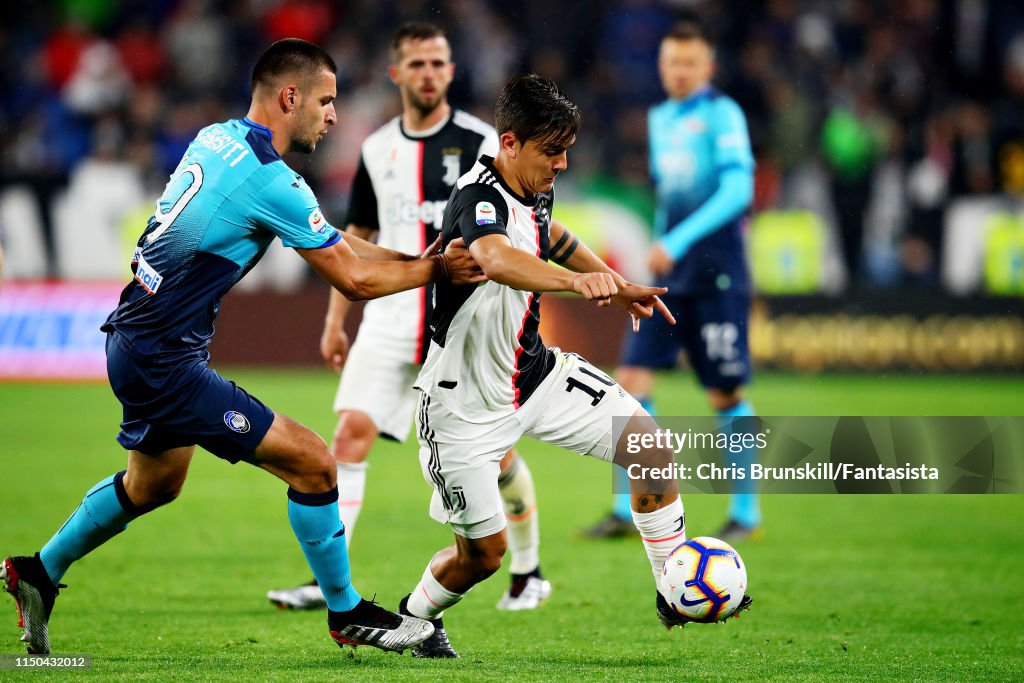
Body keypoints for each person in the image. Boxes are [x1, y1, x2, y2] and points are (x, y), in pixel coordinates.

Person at [0, 38, 490, 656]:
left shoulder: (217, 137)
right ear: (291, 97)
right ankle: (346, 613)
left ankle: (36, 573)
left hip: (136, 338)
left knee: (153, 484)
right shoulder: (272, 180)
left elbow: (338, 243)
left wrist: (417, 260)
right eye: (326, 101)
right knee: (315, 462)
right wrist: (440, 272)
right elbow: (354, 279)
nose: (333, 115)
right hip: (164, 359)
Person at [393, 74, 751, 659]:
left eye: (566, 150)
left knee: (650, 449)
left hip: (533, 375)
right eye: (550, 151)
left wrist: (620, 283)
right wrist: (578, 283)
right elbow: (494, 256)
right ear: (509, 143)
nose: (561, 163)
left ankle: (672, 587)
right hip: (461, 403)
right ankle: (415, 618)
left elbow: (549, 235)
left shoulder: (534, 187)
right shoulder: (476, 196)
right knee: (484, 556)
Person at [267, 22, 550, 614]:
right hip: (393, 318)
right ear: (397, 73)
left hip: (465, 326)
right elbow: (357, 238)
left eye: (439, 63)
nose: (429, 73)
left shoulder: (483, 142)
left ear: (451, 71)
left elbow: (525, 225)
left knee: (496, 458)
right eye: (417, 64)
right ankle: (329, 582)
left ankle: (527, 569)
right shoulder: (376, 149)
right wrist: (333, 320)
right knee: (348, 436)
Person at [585, 21, 762, 542]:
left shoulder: (722, 114)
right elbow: (670, 199)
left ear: (707, 68)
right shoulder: (660, 118)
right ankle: (627, 508)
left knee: (725, 394)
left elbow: (738, 191)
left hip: (718, 274)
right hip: (670, 275)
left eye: (689, 63)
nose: (678, 73)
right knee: (632, 388)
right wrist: (658, 249)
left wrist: (677, 241)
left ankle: (745, 516)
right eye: (670, 64)